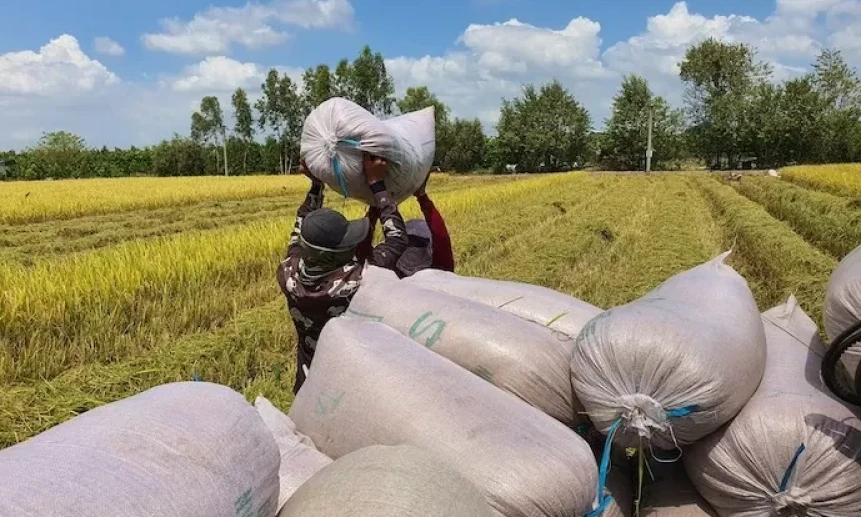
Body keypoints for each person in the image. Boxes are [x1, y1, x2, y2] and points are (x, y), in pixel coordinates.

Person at [277, 153, 408, 394]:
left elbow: (301, 225)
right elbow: (398, 238)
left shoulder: (288, 274)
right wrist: (377, 184)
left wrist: (316, 184)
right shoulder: (357, 280)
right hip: (349, 384)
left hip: (309, 382)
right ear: (333, 255)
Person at [356, 173, 454, 278]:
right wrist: (422, 196)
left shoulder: (385, 267)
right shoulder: (438, 273)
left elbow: (361, 250)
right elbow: (442, 241)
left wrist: (376, 201)